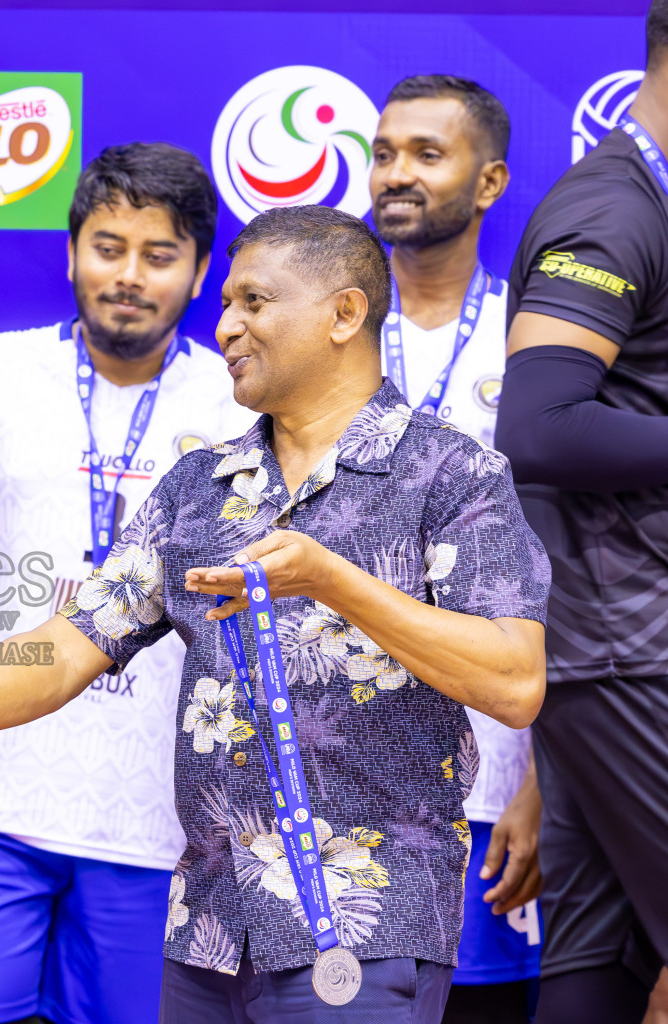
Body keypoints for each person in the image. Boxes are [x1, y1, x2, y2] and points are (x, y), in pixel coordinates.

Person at [0, 205, 551, 1023]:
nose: (225, 327)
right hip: (208, 931)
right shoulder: (200, 487)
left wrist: (334, 580)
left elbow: (514, 679)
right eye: (225, 305)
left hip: (366, 927)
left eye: (254, 303)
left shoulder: (452, 472)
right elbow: (73, 641)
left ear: (344, 313)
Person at [0, 142, 251, 1024]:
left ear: (199, 271)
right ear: (71, 251)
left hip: (159, 818)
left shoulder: (239, 404)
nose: (130, 275)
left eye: (159, 255)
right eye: (108, 247)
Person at [493, 3, 668, 1020]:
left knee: (595, 968)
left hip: (617, 647)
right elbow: (543, 425)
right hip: (626, 651)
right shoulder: (613, 208)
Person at [368, 75, 542, 1024]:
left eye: (427, 155)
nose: (397, 173)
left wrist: (548, 784)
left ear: (489, 183)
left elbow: (576, 579)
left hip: (490, 776)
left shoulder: (538, 342)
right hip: (333, 783)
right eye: (385, 152)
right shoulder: (324, 329)